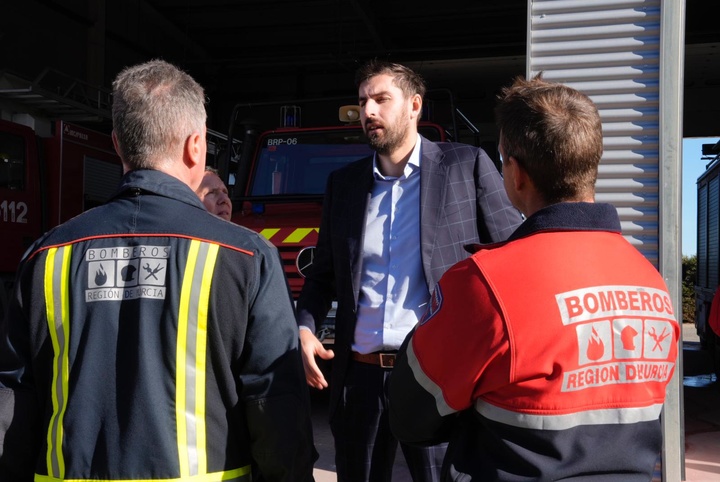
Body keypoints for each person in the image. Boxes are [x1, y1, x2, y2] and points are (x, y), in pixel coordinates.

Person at [0, 59, 315, 482]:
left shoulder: (47, 255)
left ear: (117, 143)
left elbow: (13, 401)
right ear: (196, 147)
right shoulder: (244, 256)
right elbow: (275, 403)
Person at [388, 75, 680, 481]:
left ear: (516, 173)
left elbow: (410, 414)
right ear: (590, 165)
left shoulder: (485, 284)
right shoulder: (650, 282)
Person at [296, 59, 522, 482]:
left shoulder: (465, 166)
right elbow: (323, 274)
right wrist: (305, 325)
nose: (369, 111)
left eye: (381, 99)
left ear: (415, 105)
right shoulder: (343, 184)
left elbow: (512, 256)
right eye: (363, 102)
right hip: (360, 377)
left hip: (437, 376)